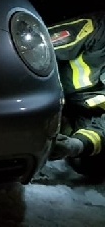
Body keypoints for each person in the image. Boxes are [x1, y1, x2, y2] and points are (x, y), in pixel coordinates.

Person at [46, 10, 105, 178]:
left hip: (80, 112)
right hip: (40, 86)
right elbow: (33, 46)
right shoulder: (97, 29)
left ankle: (65, 130)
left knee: (94, 165)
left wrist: (76, 145)